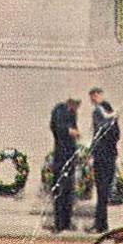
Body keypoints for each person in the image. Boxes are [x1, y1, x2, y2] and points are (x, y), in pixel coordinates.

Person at [88, 87, 120, 234]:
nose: (92, 100)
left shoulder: (99, 111)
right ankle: (102, 224)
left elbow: (103, 133)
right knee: (102, 192)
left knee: (102, 191)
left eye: (94, 96)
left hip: (103, 156)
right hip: (107, 155)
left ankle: (100, 224)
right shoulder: (108, 114)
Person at [48, 96, 82, 233]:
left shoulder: (73, 113)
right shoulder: (59, 110)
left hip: (70, 155)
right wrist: (70, 131)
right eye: (76, 104)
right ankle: (58, 223)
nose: (77, 108)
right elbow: (56, 127)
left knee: (69, 190)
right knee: (60, 190)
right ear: (70, 102)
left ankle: (67, 222)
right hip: (60, 155)